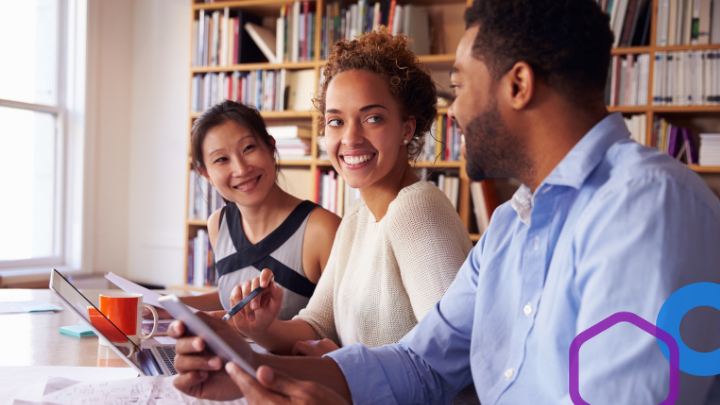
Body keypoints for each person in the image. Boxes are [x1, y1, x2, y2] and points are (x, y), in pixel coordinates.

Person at [170, 0, 720, 404]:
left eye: (459, 85)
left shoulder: (649, 208)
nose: (452, 112)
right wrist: (253, 368)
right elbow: (421, 364)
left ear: (518, 84)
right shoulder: (510, 226)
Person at [225, 30, 473, 358]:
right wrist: (260, 327)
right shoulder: (358, 217)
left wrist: (339, 364)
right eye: (336, 121)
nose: (351, 137)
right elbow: (317, 324)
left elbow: (451, 357)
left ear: (406, 128)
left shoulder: (416, 208)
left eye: (372, 118)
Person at [177, 101, 341, 319]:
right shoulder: (219, 224)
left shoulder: (322, 229)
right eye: (221, 159)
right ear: (206, 174)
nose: (241, 169)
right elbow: (233, 296)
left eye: (248, 149)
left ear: (271, 147)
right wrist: (170, 305)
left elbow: (340, 328)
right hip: (232, 354)